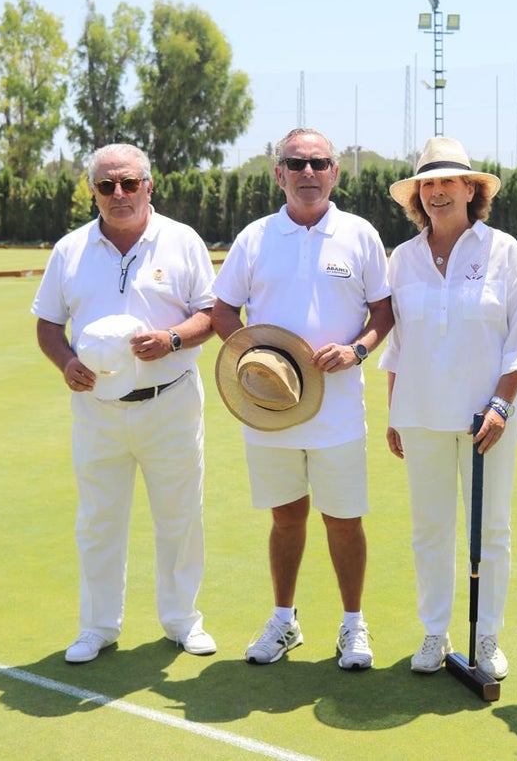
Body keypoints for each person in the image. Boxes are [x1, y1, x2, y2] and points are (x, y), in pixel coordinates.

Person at [210, 128, 394, 670]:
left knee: (344, 519)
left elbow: (383, 312)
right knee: (286, 517)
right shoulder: (255, 238)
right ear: (279, 174)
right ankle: (284, 621)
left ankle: (353, 625)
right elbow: (223, 311)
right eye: (296, 163)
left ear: (335, 172)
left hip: (338, 408)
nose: (307, 172)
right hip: (269, 407)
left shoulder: (360, 234)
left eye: (318, 163)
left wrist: (357, 351)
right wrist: (255, 359)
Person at [31, 143, 219, 664]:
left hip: (170, 402)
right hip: (97, 409)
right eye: (107, 185)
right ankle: (97, 627)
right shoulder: (70, 249)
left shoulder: (182, 240)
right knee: (99, 520)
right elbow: (48, 324)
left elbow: (211, 314)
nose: (119, 193)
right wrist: (66, 362)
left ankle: (182, 621)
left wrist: (172, 339)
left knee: (181, 516)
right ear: (92, 191)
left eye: (129, 183)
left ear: (148, 186)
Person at [381, 137, 517, 679]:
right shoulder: (403, 258)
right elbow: (399, 343)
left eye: (449, 181)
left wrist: (501, 404)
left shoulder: (503, 250)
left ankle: (488, 636)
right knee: (429, 529)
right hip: (421, 413)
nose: (438, 192)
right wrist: (394, 411)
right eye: (428, 183)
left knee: (490, 530)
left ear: (471, 190)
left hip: (487, 418)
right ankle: (434, 632)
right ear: (417, 195)